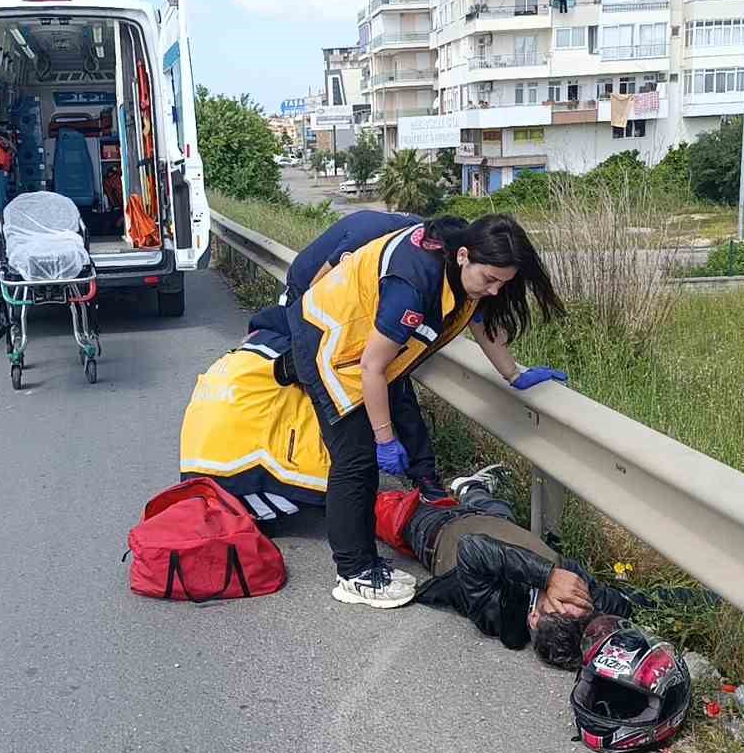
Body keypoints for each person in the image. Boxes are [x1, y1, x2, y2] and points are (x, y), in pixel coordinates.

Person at [285, 213, 565, 610]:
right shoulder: (414, 284)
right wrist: (385, 438)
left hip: (364, 347)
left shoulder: (464, 266)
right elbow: (372, 368)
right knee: (355, 460)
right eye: (490, 279)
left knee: (365, 453)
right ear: (465, 256)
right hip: (328, 344)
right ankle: (354, 573)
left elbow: (477, 315)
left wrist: (513, 372)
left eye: (504, 283)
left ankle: (363, 562)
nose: (495, 290)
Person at [375, 467, 718, 668]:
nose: (579, 595)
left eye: (565, 603)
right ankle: (472, 487)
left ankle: (465, 491)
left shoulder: (495, 613)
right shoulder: (581, 609)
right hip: (501, 526)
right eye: (580, 606)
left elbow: (473, 548)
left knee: (370, 492)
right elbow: (635, 602)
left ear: (535, 619)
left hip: (436, 529)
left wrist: (549, 576)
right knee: (497, 512)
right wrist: (715, 602)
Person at [246, 210, 448, 499]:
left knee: (387, 377)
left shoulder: (421, 242)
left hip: (363, 298)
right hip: (310, 293)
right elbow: (319, 289)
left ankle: (421, 471)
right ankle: (307, 465)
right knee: (326, 382)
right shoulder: (369, 243)